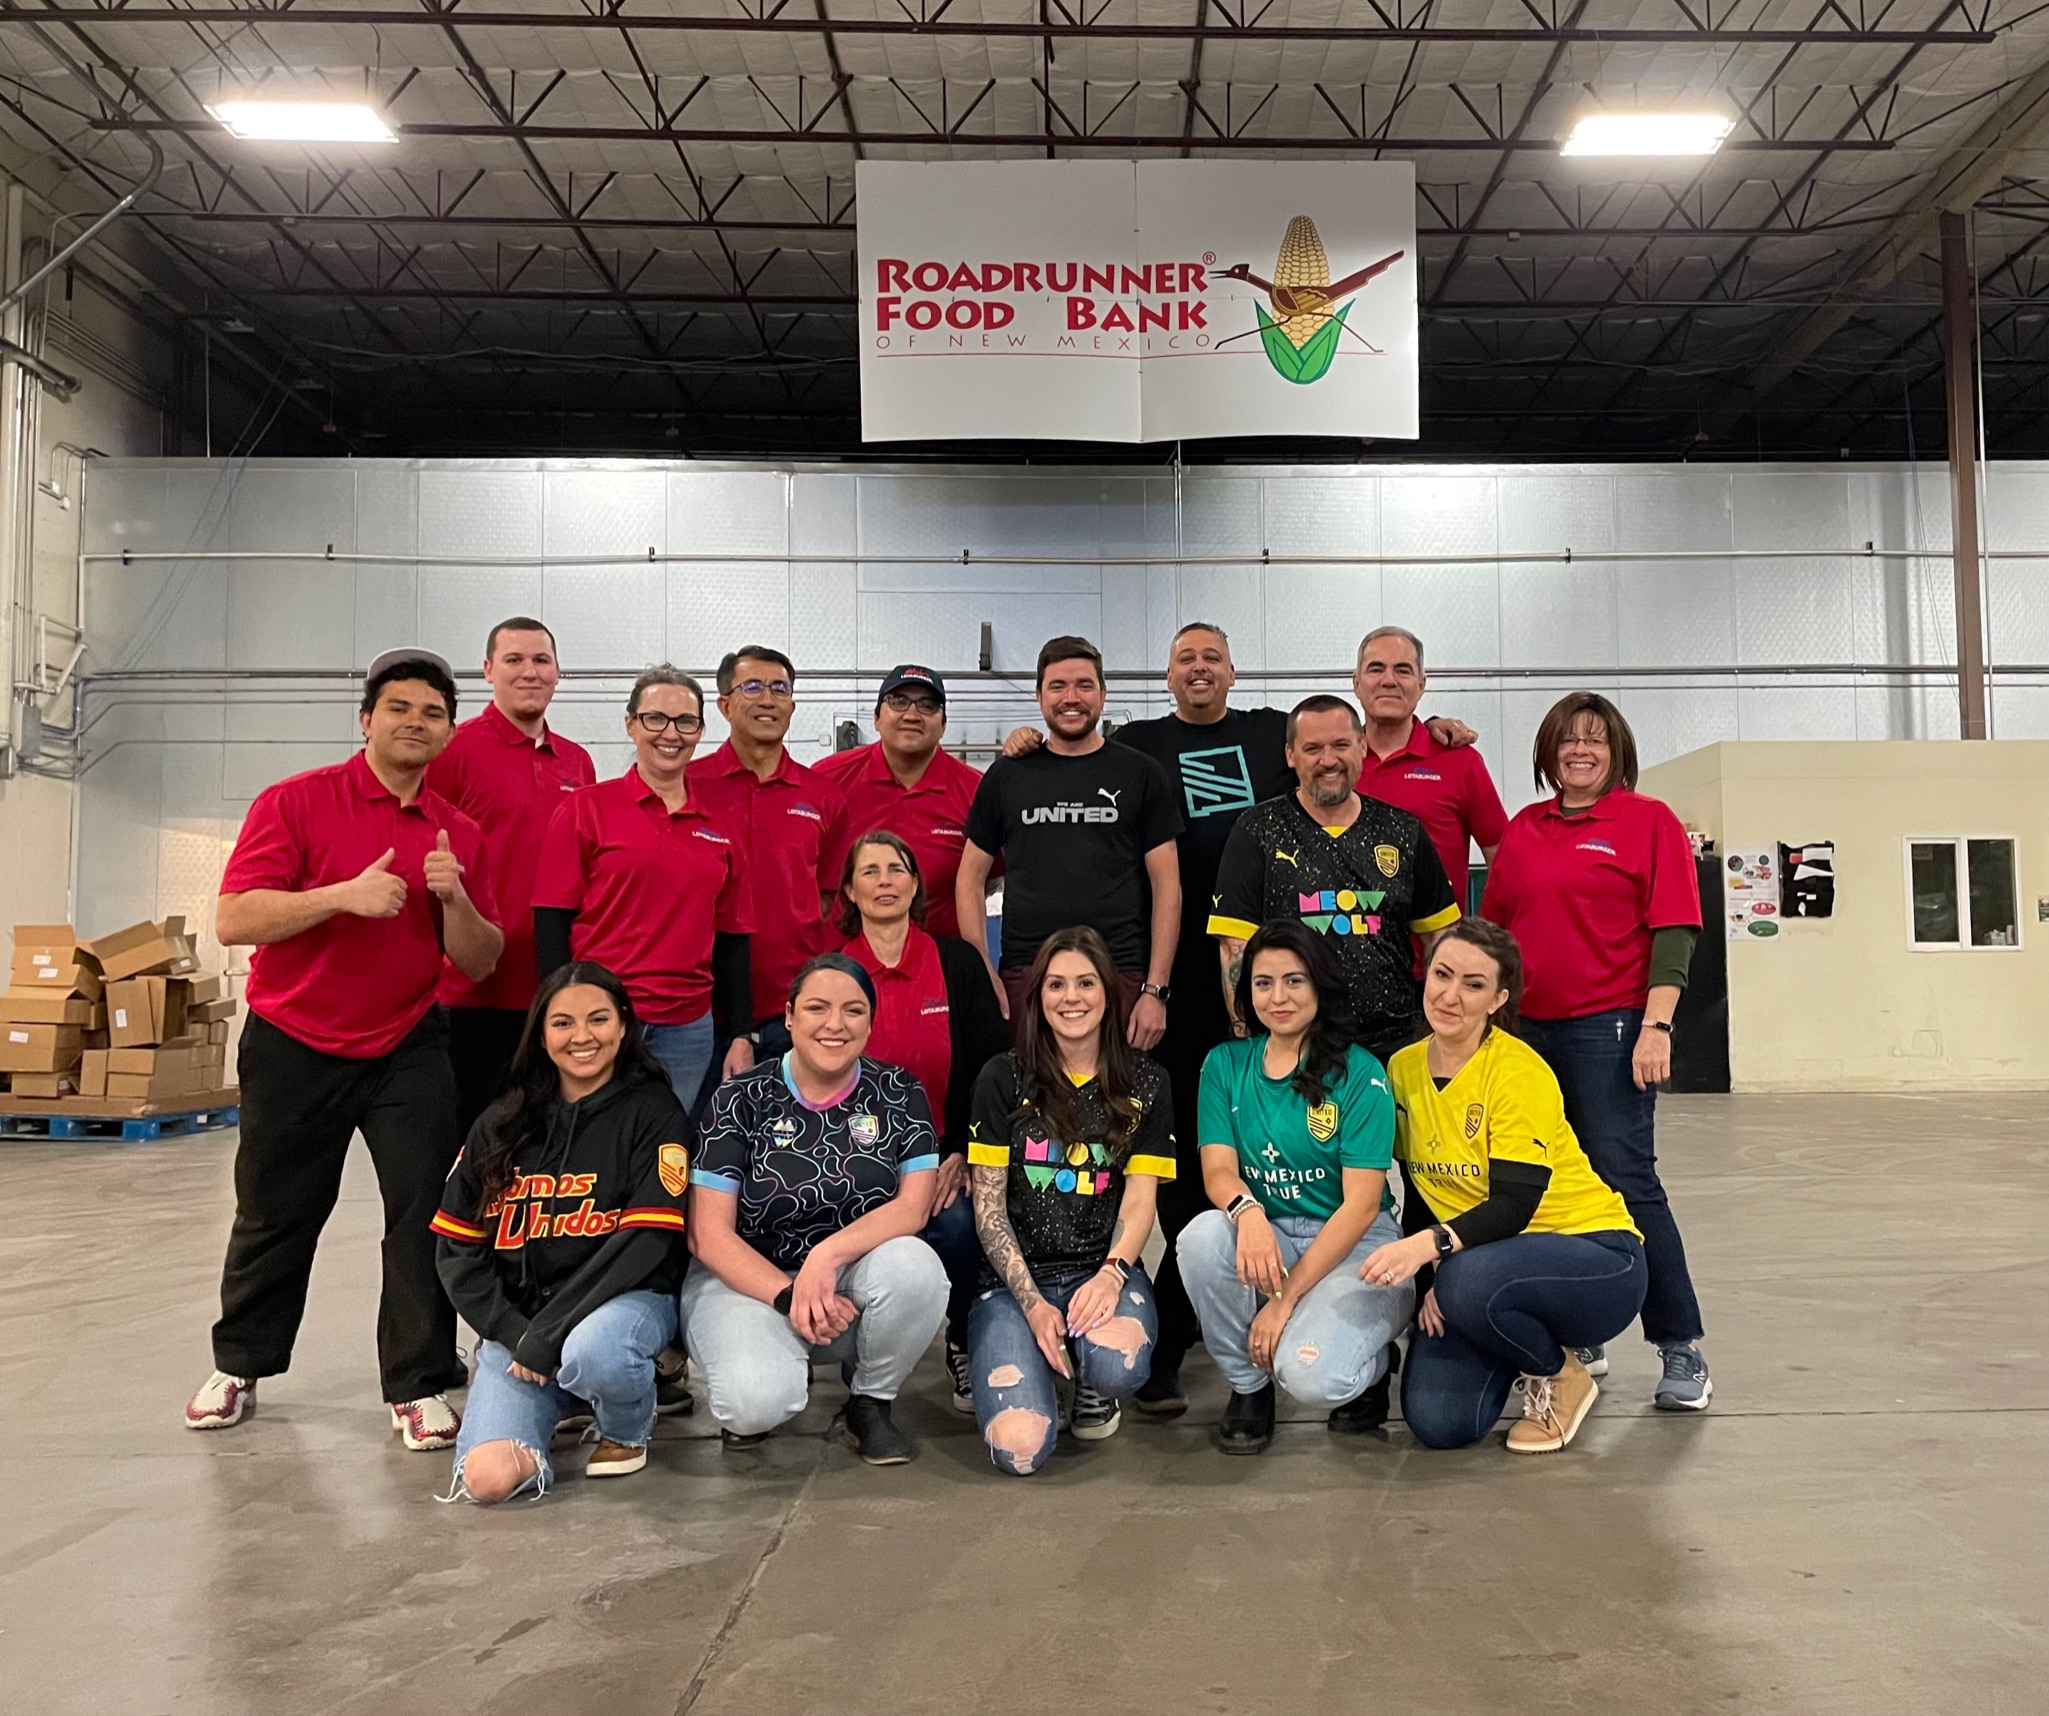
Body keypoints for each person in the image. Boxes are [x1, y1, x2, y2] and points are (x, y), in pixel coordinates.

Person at [185, 648, 503, 1450]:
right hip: (295, 1039)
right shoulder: (296, 802)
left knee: (423, 1214)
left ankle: (418, 1380)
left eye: (432, 713)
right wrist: (341, 898)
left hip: (407, 1042)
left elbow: (480, 958)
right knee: (277, 1210)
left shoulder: (454, 831)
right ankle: (240, 1366)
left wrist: (455, 896)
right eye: (399, 708)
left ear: (448, 732)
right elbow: (235, 920)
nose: (415, 724)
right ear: (367, 719)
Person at [1480, 692, 1710, 1410]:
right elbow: (1496, 931)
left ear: (1616, 753)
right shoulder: (1524, 828)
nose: (1579, 752)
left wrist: (1656, 1024)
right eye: (1565, 741)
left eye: (1594, 741)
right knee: (1545, 1184)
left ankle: (1680, 1347)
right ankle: (1581, 1331)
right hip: (1524, 1031)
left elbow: (1675, 927)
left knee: (1624, 1177)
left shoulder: (1647, 822)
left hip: (1607, 1028)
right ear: (1546, 754)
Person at [1367, 918, 1649, 1454]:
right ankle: (1509, 1332)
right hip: (1484, 1267)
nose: (1450, 995)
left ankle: (1561, 1373)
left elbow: (1515, 1205)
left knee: (1466, 1282)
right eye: (1442, 975)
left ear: (1497, 999)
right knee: (1439, 1421)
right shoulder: (1402, 1069)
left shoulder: (1519, 1072)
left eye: (1473, 985)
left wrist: (1434, 1256)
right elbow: (1422, 1193)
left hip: (1597, 1256)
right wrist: (1429, 1284)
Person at [433, 963, 692, 1499]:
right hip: (523, 1327)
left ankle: (623, 1426)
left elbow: (646, 1242)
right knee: (487, 1481)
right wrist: (513, 1330)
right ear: (541, 1032)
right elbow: (457, 1250)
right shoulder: (503, 1120)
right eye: (563, 1023)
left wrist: (549, 1335)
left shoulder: (654, 1111)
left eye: (598, 1019)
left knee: (592, 1352)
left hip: (621, 1304)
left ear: (623, 1026)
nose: (582, 1037)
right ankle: (568, 1397)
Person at [681, 954, 948, 1464]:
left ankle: (870, 1401)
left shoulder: (900, 1092)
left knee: (917, 1269)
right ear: (788, 1016)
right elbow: (707, 1235)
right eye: (817, 1008)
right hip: (747, 1282)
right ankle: (772, 1367)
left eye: (853, 1011)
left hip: (845, 1278)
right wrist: (787, 1295)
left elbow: (913, 1209)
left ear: (871, 1021)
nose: (835, 1024)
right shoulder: (739, 1097)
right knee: (754, 1404)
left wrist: (824, 1260)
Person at [1177, 922, 1411, 1453]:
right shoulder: (1224, 1065)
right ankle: (1249, 1387)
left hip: (1358, 1245)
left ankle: (1370, 1367)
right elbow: (1218, 1172)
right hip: (1271, 1234)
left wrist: (1282, 1301)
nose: (1277, 997)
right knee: (1201, 1237)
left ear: (1320, 987)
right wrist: (1248, 1212)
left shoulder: (1361, 1074)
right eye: (1263, 984)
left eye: (1293, 981)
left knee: (1312, 1378)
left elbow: (1360, 1206)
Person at [964, 928, 1177, 1473]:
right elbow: (988, 1213)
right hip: (1013, 1286)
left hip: (1099, 1270)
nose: (1071, 997)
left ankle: (1089, 1380)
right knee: (1020, 1449)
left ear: (1108, 993)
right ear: (1038, 997)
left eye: (1085, 983)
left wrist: (1110, 1275)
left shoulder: (1146, 1082)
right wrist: (1033, 1303)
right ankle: (1036, 1366)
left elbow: (1138, 1202)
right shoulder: (1001, 1077)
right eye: (1056, 985)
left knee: (1116, 1365)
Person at [835, 831, 1011, 1411]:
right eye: (870, 871)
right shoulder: (834, 974)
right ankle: (855, 1343)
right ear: (850, 891)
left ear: (915, 886)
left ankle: (962, 1337)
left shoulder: (956, 961)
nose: (884, 880)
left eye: (896, 869)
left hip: (939, 1153)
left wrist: (962, 1148)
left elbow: (990, 1067)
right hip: (849, 1157)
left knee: (960, 1224)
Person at [533, 666, 755, 1111]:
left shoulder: (723, 828)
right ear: (631, 723)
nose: (670, 734)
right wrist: (556, 1017)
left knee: (665, 1151)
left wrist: (740, 1033)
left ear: (700, 730)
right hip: (600, 1021)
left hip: (688, 1029)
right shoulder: (585, 809)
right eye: (656, 718)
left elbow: (732, 939)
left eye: (685, 722)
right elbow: (551, 922)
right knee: (594, 1147)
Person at [1210, 694, 1461, 1067]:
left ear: (1362, 746)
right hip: (1295, 1049)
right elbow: (1236, 947)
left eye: (1341, 745)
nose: (1328, 760)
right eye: (1312, 748)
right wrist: (1248, 1039)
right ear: (1291, 756)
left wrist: (1442, 1030)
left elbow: (1442, 938)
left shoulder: (1402, 830)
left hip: (1395, 1049)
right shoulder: (1258, 830)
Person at [956, 635, 1183, 1044]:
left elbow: (1167, 886)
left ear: (1103, 693)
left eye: (1084, 685)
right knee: (1028, 1100)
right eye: (1058, 686)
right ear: (1039, 695)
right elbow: (969, 878)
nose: (1071, 697)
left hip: (1119, 970)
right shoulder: (1007, 776)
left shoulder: (1141, 774)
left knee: (1119, 1100)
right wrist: (983, 972)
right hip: (1026, 973)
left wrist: (1155, 989)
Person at [427, 616, 597, 1144]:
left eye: (541, 660)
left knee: (541, 1145)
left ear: (557, 673)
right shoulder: (454, 750)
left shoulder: (578, 762)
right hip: (470, 993)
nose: (529, 672)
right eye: (514, 660)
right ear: (487, 671)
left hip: (551, 991)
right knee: (465, 1146)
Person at [688, 645, 849, 1036]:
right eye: (753, 687)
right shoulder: (687, 785)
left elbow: (826, 895)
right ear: (724, 706)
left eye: (780, 689)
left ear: (792, 706)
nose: (768, 699)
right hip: (700, 1008)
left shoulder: (823, 797)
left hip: (794, 1006)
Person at [814, 665, 985, 938]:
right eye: (898, 702)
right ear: (876, 719)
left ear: (943, 726)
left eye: (928, 705)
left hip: (939, 966)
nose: (912, 715)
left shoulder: (978, 790)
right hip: (843, 965)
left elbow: (989, 880)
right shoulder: (826, 780)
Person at [1352, 626, 1507, 910]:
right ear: (1356, 683)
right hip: (1345, 951)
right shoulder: (1333, 764)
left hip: (1437, 951)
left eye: (1403, 670)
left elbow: (1502, 860)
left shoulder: (1462, 763)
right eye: (1376, 669)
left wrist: (1487, 940)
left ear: (1421, 685)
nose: (1389, 680)